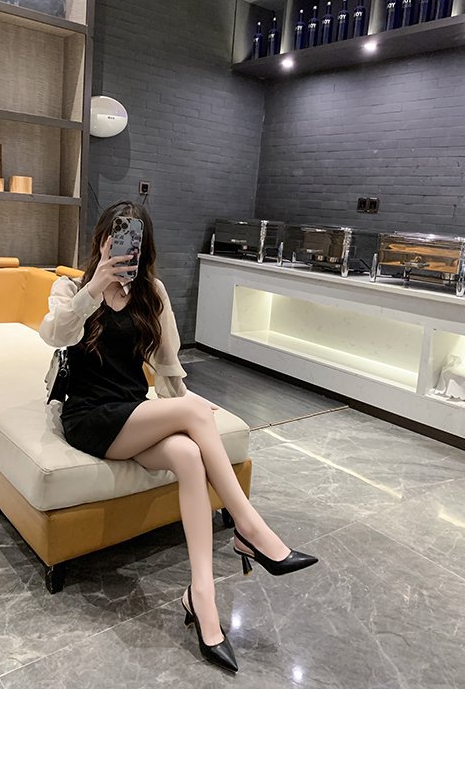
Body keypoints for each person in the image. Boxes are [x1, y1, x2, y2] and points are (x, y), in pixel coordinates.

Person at [38, 200, 318, 673]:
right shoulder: (71, 288)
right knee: (193, 415)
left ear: (143, 247)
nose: (121, 248)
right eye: (113, 238)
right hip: (89, 418)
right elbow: (53, 334)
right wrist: (95, 286)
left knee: (188, 454)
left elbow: (168, 366)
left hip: (132, 412)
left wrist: (184, 410)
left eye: (132, 240)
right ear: (101, 241)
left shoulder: (152, 293)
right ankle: (248, 528)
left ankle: (201, 596)